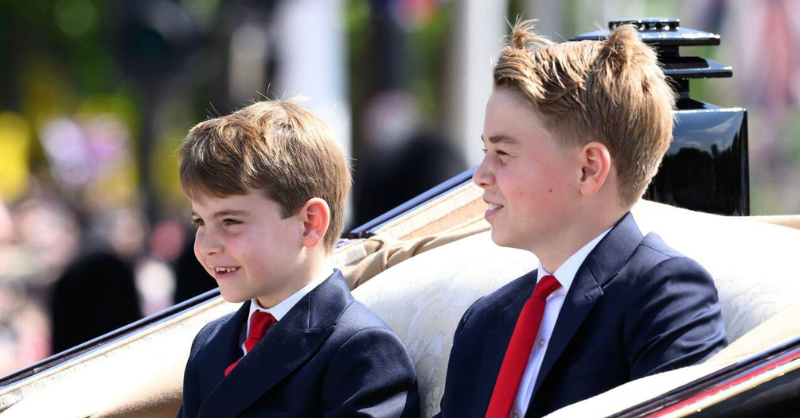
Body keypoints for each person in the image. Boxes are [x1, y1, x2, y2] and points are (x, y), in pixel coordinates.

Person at [436, 20, 727, 418]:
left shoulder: (665, 295)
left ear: (589, 169)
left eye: (503, 153)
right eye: (487, 151)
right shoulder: (484, 322)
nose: (480, 176)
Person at [176, 100, 419, 418]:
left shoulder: (361, 352)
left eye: (231, 221)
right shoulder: (210, 343)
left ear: (309, 223)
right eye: (199, 222)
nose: (206, 246)